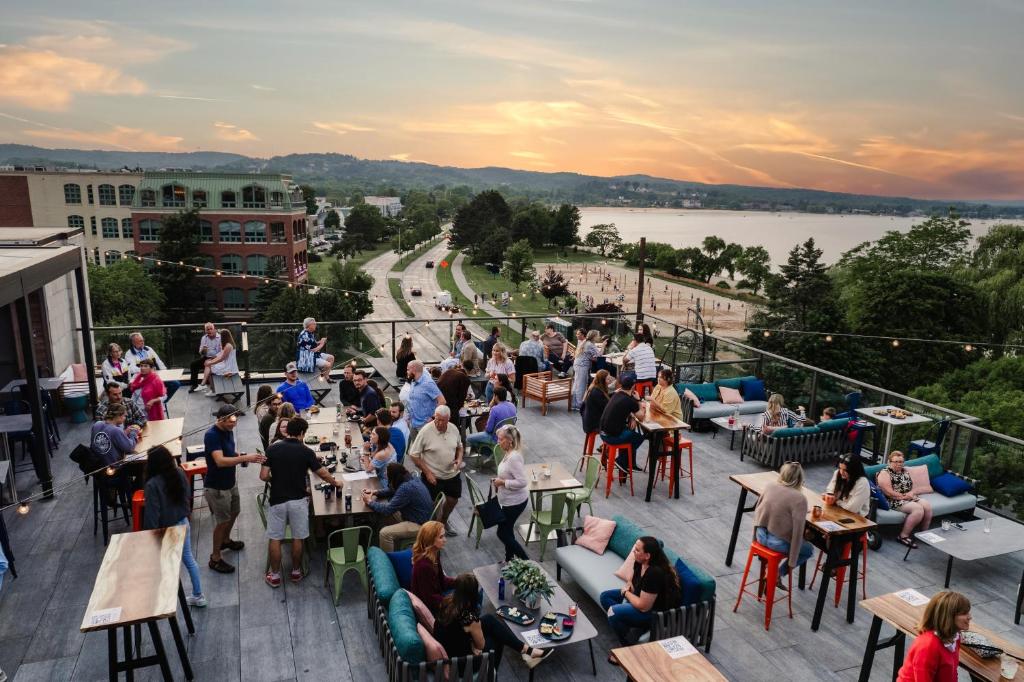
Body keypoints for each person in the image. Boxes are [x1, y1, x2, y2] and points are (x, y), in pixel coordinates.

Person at [260, 417, 342, 586]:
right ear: (302, 433)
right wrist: (336, 482)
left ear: (287, 430)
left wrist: (276, 478)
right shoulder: (306, 451)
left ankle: (275, 576)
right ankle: (296, 572)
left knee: (275, 538)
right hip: (298, 500)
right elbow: (322, 473)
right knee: (298, 537)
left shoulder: (272, 449)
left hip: (277, 500)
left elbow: (263, 476)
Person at [435, 573, 553, 673]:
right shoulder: (469, 618)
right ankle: (491, 676)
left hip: (450, 651)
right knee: (497, 639)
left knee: (489, 619)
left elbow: (453, 632)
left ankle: (527, 650)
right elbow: (480, 645)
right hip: (462, 664)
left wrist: (470, 640)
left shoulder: (447, 602)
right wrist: (473, 642)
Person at [204, 405, 265, 574]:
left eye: (236, 420)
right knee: (222, 521)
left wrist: (238, 455)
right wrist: (245, 458)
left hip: (230, 482)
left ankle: (225, 540)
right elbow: (220, 461)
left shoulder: (228, 430)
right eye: (231, 421)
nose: (234, 424)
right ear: (221, 418)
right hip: (217, 487)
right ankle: (215, 558)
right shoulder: (211, 435)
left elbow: (228, 452)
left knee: (235, 512)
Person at [143, 445, 206, 607]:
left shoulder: (152, 484)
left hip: (166, 529)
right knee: (189, 560)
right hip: (183, 522)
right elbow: (187, 496)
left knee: (166, 564)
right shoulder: (178, 473)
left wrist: (150, 536)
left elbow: (152, 514)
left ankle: (165, 600)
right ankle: (198, 595)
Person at [600, 536, 681, 650]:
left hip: (655, 612)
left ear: (647, 555)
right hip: (640, 598)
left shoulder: (654, 573)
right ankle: (633, 628)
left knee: (613, 612)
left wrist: (626, 594)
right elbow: (633, 582)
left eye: (637, 550)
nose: (633, 552)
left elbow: (643, 607)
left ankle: (627, 646)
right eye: (635, 548)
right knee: (605, 597)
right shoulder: (639, 562)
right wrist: (629, 587)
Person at [751, 461, 814, 588]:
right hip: (777, 544)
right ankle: (777, 574)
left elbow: (757, 511)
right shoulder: (800, 499)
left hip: (760, 537)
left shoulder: (769, 486)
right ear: (800, 479)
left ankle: (771, 570)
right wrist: (791, 562)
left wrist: (754, 539)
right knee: (809, 550)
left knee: (787, 538)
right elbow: (797, 532)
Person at [408, 406, 463, 536]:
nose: (438, 423)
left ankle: (444, 521)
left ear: (448, 419)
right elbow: (413, 454)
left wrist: (459, 459)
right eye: (436, 419)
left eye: (442, 420)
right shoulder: (426, 431)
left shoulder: (454, 429)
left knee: (452, 500)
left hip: (451, 474)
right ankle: (431, 530)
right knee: (430, 504)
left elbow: (460, 447)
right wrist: (427, 472)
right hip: (432, 475)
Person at [896, 591, 971, 682]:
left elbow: (952, 673)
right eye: (964, 613)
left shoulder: (955, 636)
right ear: (948, 616)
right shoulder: (928, 647)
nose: (970, 617)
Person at [364, 463, 434, 552]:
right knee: (385, 510)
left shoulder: (405, 488)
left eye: (387, 473)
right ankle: (393, 541)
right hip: (420, 516)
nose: (385, 474)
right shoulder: (410, 479)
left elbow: (387, 510)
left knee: (385, 533)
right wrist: (375, 492)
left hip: (419, 523)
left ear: (393, 476)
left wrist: (369, 502)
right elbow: (392, 490)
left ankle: (389, 561)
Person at [877, 450, 934, 549]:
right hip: (893, 500)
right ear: (889, 462)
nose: (899, 464)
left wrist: (911, 494)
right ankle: (903, 536)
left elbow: (909, 486)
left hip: (908, 497)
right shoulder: (885, 473)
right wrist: (905, 496)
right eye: (896, 462)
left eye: (901, 462)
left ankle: (923, 534)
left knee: (927, 506)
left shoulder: (904, 471)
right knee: (918, 509)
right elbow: (889, 493)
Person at [490, 425, 530, 561]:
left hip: (515, 502)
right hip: (508, 500)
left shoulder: (514, 458)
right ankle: (509, 558)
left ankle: (526, 561)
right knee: (507, 530)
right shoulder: (508, 453)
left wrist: (502, 483)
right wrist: (499, 481)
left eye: (500, 439)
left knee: (502, 533)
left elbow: (523, 482)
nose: (498, 442)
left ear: (509, 441)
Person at [600, 375, 647, 478]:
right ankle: (621, 461)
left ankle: (625, 462)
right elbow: (642, 417)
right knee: (639, 437)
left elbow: (624, 409)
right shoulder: (630, 401)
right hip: (611, 437)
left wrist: (632, 417)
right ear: (633, 386)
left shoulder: (616, 394)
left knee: (629, 433)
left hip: (602, 433)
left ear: (621, 385)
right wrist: (639, 401)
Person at [411, 521, 456, 613]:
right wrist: (455, 603)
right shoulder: (423, 566)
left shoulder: (435, 553)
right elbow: (430, 600)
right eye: (441, 537)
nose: (445, 540)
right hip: (433, 608)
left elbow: (441, 580)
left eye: (444, 536)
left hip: (438, 595)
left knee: (469, 587)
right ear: (430, 540)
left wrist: (460, 581)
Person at [125, 332, 179, 401]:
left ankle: (161, 401)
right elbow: (131, 368)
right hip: (142, 378)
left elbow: (159, 361)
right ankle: (153, 402)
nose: (143, 342)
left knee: (175, 384)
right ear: (133, 343)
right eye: (140, 341)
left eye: (143, 340)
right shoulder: (129, 354)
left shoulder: (148, 349)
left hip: (155, 376)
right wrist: (146, 370)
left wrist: (165, 372)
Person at [405, 361, 445, 443]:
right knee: (417, 452)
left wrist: (433, 418)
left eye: (408, 369)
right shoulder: (413, 382)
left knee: (426, 452)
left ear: (414, 370)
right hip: (413, 423)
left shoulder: (428, 383)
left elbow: (442, 401)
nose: (407, 372)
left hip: (425, 424)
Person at [467, 386, 516, 451]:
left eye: (494, 395)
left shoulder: (495, 409)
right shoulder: (512, 405)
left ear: (496, 396)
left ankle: (487, 451)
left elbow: (488, 430)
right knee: (480, 425)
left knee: (468, 438)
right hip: (509, 433)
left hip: (496, 437)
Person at [296, 317, 335, 382]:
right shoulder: (305, 336)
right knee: (328, 365)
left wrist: (319, 341)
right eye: (314, 324)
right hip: (308, 358)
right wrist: (322, 344)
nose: (315, 325)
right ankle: (322, 376)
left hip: (314, 355)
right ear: (309, 325)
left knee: (331, 358)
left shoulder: (310, 333)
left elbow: (312, 344)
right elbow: (313, 350)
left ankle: (326, 378)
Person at [572, 329, 602, 409]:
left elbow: (590, 356)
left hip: (577, 364)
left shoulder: (585, 342)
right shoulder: (590, 344)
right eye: (598, 336)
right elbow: (599, 355)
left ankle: (574, 404)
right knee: (581, 385)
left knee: (576, 384)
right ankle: (579, 405)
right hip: (582, 366)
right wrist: (603, 346)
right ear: (594, 336)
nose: (599, 337)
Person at [189, 322, 221, 392]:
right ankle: (194, 385)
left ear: (214, 329)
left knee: (208, 363)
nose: (209, 331)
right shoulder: (204, 338)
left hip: (217, 359)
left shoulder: (219, 338)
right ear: (205, 331)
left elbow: (221, 352)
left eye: (211, 329)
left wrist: (213, 358)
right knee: (193, 364)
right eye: (207, 329)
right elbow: (200, 352)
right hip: (206, 357)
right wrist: (203, 350)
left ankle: (204, 384)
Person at [582, 369, 611, 435]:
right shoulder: (597, 392)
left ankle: (607, 444)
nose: (610, 381)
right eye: (608, 379)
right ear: (602, 380)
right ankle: (609, 444)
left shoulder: (595, 387)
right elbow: (607, 407)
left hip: (589, 421)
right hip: (593, 425)